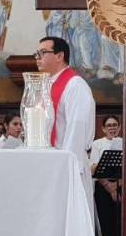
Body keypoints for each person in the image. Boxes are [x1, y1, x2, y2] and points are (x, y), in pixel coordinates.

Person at [35, 36, 95, 201]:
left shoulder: (75, 85)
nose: (37, 57)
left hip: (67, 165)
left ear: (59, 56)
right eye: (37, 53)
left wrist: (66, 167)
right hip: (49, 163)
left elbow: (77, 128)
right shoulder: (47, 85)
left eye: (43, 52)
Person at [90, 116, 123, 236]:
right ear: (103, 129)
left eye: (115, 125)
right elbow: (94, 168)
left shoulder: (124, 142)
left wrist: (117, 186)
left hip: (121, 188)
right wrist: (109, 188)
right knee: (105, 229)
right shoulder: (97, 144)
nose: (112, 128)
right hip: (103, 190)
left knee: (120, 229)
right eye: (109, 125)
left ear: (119, 127)